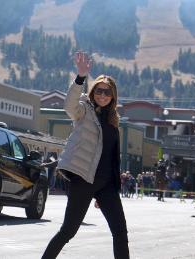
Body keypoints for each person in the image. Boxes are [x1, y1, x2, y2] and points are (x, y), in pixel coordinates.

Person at [41, 52, 129, 259]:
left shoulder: (113, 120)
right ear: (93, 90)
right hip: (84, 179)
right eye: (99, 90)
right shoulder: (84, 110)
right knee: (68, 231)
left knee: (120, 232)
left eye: (107, 92)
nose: (102, 95)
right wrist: (81, 77)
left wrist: (112, 189)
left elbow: (112, 157)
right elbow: (69, 106)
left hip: (107, 185)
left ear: (113, 96)